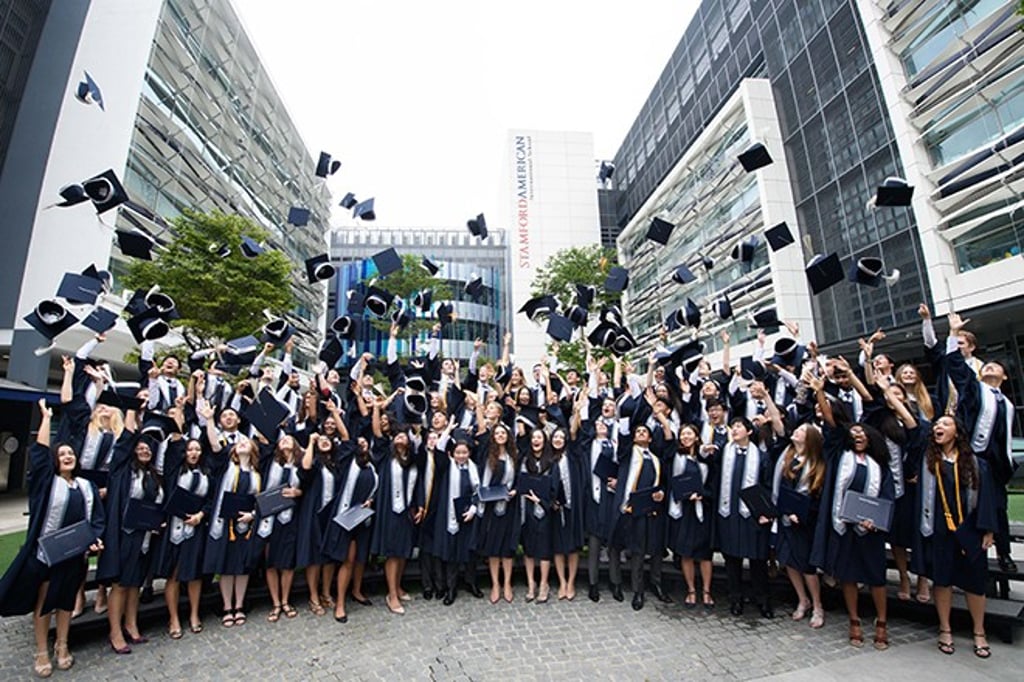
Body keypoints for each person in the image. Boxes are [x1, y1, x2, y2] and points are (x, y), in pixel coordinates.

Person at [0, 398, 104, 677]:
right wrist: (46, 418)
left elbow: (96, 520)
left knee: (67, 601)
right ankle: (42, 650)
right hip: (46, 553)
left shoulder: (87, 486)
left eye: (71, 453)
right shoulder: (46, 483)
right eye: (63, 454)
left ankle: (62, 645)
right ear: (56, 460)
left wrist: (95, 539)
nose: (68, 456)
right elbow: (39, 453)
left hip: (75, 554)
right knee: (44, 602)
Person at [913, 415, 997, 658]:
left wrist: (988, 530)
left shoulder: (976, 463)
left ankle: (979, 631)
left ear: (957, 433)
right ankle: (945, 629)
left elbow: (986, 499)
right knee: (942, 580)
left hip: (969, 530)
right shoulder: (929, 462)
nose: (938, 427)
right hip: (939, 529)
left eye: (945, 424)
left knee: (975, 583)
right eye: (937, 424)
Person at [946, 312, 1018, 574]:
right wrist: (954, 334)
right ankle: (968, 557)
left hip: (993, 465)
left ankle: (1004, 554)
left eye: (995, 366)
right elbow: (956, 367)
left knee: (998, 510)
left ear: (1004, 377)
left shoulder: (1007, 405)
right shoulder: (975, 391)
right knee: (966, 507)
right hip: (971, 459)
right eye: (986, 365)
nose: (989, 367)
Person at [814, 415, 894, 650]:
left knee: (876, 578)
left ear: (871, 439)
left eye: (863, 433)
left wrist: (875, 521)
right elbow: (832, 428)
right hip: (845, 527)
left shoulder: (880, 466)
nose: (858, 436)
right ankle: (854, 620)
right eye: (854, 433)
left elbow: (886, 498)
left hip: (871, 531)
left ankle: (882, 622)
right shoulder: (840, 459)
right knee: (848, 576)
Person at [96, 404, 164, 654]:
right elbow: (124, 442)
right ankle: (115, 632)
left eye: (148, 448)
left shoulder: (154, 476)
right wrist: (133, 411)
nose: (144, 449)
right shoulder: (122, 471)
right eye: (140, 447)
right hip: (124, 535)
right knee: (121, 584)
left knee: (135, 582)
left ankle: (132, 625)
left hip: (145, 536)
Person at [713, 417, 774, 618]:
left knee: (757, 560)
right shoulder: (724, 452)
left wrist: (765, 513)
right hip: (729, 513)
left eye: (739, 426)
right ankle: (735, 598)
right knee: (732, 560)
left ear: (749, 431)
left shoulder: (762, 456)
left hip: (753, 516)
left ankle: (762, 599)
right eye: (733, 427)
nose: (734, 429)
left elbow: (767, 487)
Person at [156, 431, 211, 638]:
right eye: (190, 449)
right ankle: (174, 618)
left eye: (197, 449)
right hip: (174, 526)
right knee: (175, 574)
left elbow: (210, 499)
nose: (194, 453)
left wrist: (200, 515)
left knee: (194, 573)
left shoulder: (207, 474)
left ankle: (194, 615)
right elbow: (172, 453)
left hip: (195, 526)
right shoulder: (175, 472)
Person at [771, 422, 826, 628]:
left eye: (802, 430)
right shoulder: (788, 458)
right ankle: (802, 599)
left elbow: (817, 496)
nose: (796, 432)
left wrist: (802, 515)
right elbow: (784, 490)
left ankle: (818, 605)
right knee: (789, 561)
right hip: (787, 518)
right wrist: (786, 511)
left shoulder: (818, 464)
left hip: (806, 522)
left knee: (806, 566)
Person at [321, 433, 378, 623]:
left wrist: (371, 500)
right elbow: (346, 437)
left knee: (361, 557)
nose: (361, 443)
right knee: (348, 559)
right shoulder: (347, 463)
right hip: (345, 518)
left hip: (362, 518)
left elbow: (374, 489)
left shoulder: (372, 467)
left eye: (364, 441)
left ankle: (357, 591)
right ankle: (340, 604)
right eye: (358, 441)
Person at [369, 428, 419, 615]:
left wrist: (419, 505)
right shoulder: (385, 458)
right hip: (389, 511)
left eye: (404, 435)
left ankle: (397, 586)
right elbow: (378, 435)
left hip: (407, 511)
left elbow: (419, 484)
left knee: (403, 552)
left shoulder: (413, 462)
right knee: (392, 552)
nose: (400, 437)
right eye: (397, 435)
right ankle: (391, 595)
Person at [666, 424, 716, 611]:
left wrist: (704, 494)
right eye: (683, 434)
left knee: (704, 554)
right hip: (683, 509)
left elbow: (713, 482)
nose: (685, 437)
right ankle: (691, 590)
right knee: (686, 552)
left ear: (697, 437)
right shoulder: (676, 457)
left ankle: (707, 591)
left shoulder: (706, 458)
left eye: (689, 434)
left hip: (702, 508)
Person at [260, 435, 303, 623]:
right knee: (270, 562)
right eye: (282, 439)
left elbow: (308, 487)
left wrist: (298, 492)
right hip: (268, 518)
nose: (285, 441)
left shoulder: (301, 466)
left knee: (287, 562)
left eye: (289, 439)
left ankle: (285, 601)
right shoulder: (270, 462)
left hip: (290, 518)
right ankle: (275, 603)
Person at [434, 437, 482, 605]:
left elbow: (479, 492)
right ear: (452, 453)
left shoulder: (475, 469)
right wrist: (448, 429)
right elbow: (438, 449)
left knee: (469, 551)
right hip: (450, 516)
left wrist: (473, 509)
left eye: (464, 452)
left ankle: (471, 583)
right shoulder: (447, 467)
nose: (461, 455)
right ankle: (451, 588)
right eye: (458, 452)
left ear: (469, 453)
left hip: (469, 514)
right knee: (452, 553)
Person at [476, 423, 519, 604]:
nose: (501, 435)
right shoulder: (489, 457)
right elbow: (484, 485)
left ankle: (507, 584)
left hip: (509, 507)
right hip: (492, 508)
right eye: (498, 433)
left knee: (507, 548)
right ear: (493, 437)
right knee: (493, 548)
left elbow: (518, 480)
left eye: (504, 433)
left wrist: (514, 491)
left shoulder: (513, 457)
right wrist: (484, 501)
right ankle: (495, 584)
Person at [518, 428, 557, 603]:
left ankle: (543, 584)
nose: (536, 440)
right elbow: (521, 482)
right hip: (527, 508)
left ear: (545, 440)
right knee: (529, 548)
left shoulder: (552, 462)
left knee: (544, 549)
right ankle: (531, 583)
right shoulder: (525, 460)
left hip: (545, 510)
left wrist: (541, 499)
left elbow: (554, 488)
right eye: (533, 437)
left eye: (539, 437)